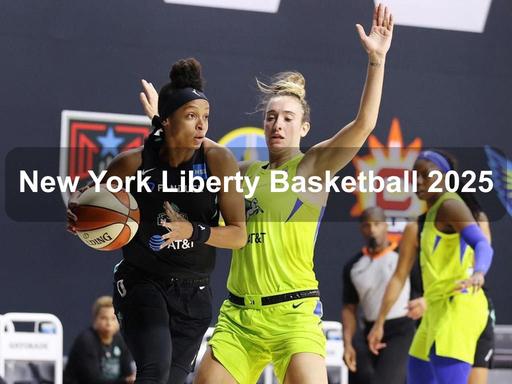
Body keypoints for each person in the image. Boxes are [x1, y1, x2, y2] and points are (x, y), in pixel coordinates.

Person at [140, 5, 393, 383]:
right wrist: (166, 122)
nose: (278, 124)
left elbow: (363, 125)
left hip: (293, 313)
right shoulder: (241, 173)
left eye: (288, 118)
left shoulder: (313, 167)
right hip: (240, 318)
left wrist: (376, 61)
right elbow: (196, 148)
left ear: (304, 127)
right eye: (272, 117)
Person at [67, 58, 247, 384]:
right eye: (191, 116)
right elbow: (91, 202)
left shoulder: (218, 160)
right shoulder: (132, 163)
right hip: (143, 280)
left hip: (195, 293)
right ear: (166, 121)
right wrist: (81, 216)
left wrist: (194, 231)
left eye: (205, 117)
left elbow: (238, 235)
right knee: (155, 370)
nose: (202, 126)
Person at [367, 150, 494, 384]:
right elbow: (398, 277)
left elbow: (482, 244)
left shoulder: (451, 205)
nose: (418, 180)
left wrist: (479, 272)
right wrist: (380, 322)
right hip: (435, 307)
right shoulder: (421, 222)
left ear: (445, 177)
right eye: (414, 175)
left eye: (426, 174)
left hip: (459, 305)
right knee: (417, 372)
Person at [342, 207, 415, 384]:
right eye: (367, 225)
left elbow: (424, 291)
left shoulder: (403, 258)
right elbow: (349, 308)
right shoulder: (354, 266)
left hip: (400, 329)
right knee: (360, 377)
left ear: (386, 226)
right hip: (369, 329)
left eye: (376, 224)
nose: (372, 230)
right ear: (361, 229)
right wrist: (348, 343)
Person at [64, 296, 135, 384]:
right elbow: (92, 381)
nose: (109, 323)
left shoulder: (120, 340)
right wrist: (125, 381)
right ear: (95, 319)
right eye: (104, 318)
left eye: (113, 318)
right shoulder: (86, 341)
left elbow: (127, 374)